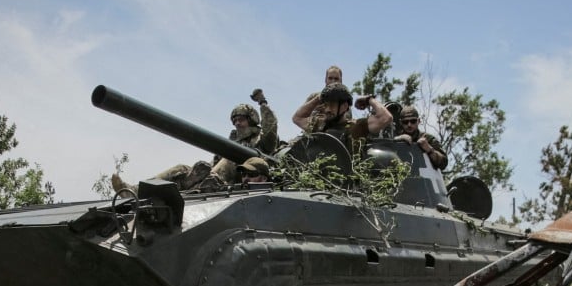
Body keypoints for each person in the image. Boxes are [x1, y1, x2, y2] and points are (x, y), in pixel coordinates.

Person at [122, 89, 279, 193]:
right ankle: (136, 191)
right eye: (235, 120)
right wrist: (197, 173)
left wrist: (262, 102)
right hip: (215, 178)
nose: (237, 123)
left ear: (251, 120)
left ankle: (202, 183)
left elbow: (271, 128)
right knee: (181, 168)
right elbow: (214, 164)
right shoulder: (232, 144)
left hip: (239, 178)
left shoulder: (261, 141)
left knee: (230, 159)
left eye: (241, 119)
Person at [291, 83, 392, 156]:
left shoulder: (357, 126)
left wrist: (369, 100)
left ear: (344, 106)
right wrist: (319, 97)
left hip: (347, 183)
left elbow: (386, 118)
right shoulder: (319, 124)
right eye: (325, 105)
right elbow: (297, 118)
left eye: (331, 105)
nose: (327, 110)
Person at [394, 106, 448, 170]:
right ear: (400, 123)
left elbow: (443, 163)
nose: (409, 125)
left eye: (413, 121)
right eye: (405, 122)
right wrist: (396, 141)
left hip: (423, 177)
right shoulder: (395, 138)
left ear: (418, 121)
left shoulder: (428, 139)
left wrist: (429, 149)